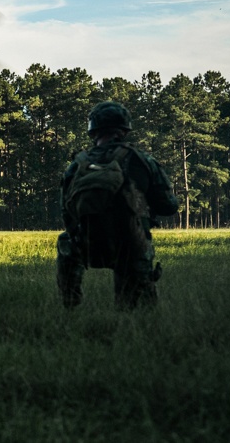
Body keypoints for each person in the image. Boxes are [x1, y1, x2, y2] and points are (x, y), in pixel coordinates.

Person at [56, 101, 178, 309]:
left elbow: (66, 211)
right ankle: (134, 312)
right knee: (136, 313)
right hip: (129, 243)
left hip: (86, 243)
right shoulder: (141, 160)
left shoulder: (78, 164)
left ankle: (70, 304)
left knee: (65, 240)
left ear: (93, 131)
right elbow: (169, 206)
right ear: (124, 130)